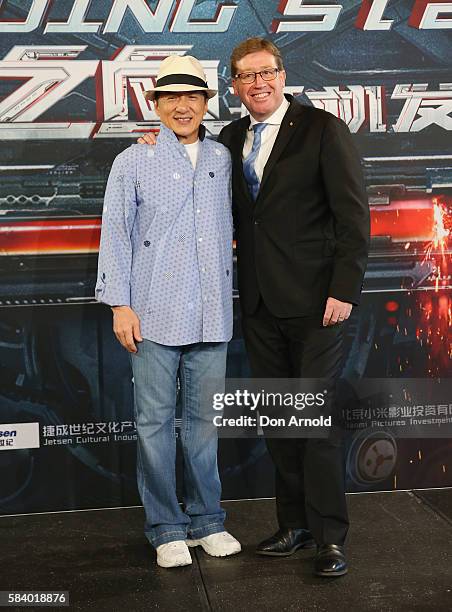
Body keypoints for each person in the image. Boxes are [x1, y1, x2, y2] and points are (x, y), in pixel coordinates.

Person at [139, 37, 370, 577]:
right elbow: (191, 168)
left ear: (282, 75)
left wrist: (345, 289)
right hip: (260, 305)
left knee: (314, 423)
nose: (257, 83)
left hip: (319, 306)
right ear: (235, 87)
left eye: (266, 72)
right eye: (246, 76)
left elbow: (353, 217)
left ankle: (329, 538)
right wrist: (159, 145)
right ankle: (293, 527)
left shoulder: (321, 130)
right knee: (282, 424)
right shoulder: (229, 139)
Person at [96, 54, 241, 568]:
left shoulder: (224, 158)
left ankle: (207, 520)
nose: (183, 106)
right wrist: (120, 304)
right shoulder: (132, 161)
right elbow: (114, 234)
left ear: (207, 103)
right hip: (153, 312)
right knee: (154, 423)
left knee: (204, 424)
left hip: (213, 313)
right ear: (155, 105)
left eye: (193, 96)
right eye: (171, 97)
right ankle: (165, 528)